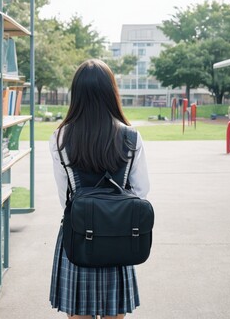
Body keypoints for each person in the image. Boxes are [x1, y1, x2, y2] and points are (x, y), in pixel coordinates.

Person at [49, 58, 150, 319]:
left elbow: (65, 197)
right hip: (119, 237)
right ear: (111, 92)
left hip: (78, 237)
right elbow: (140, 191)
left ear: (77, 94)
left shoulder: (60, 137)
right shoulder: (131, 136)